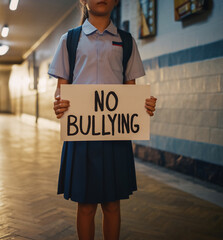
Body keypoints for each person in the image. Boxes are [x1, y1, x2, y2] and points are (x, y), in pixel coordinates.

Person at [48, 0, 157, 239]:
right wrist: (59, 104)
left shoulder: (126, 41)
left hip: (115, 135)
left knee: (112, 204)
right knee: (85, 205)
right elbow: (61, 90)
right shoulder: (69, 40)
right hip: (81, 134)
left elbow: (131, 90)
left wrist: (143, 105)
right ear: (83, 1)